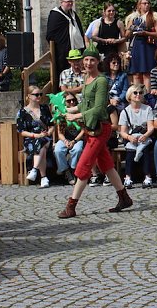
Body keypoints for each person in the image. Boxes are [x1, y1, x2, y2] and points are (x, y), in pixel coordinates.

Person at [57, 48, 133, 218]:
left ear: (98, 62)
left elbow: (99, 109)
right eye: (86, 60)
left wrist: (75, 115)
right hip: (91, 128)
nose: (88, 63)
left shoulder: (101, 81)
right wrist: (70, 110)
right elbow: (86, 104)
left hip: (100, 128)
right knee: (106, 164)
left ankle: (71, 206)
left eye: (92, 60)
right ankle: (124, 197)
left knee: (84, 165)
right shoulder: (87, 79)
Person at [118, 84, 155, 190]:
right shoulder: (125, 112)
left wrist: (145, 135)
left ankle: (148, 177)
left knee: (145, 150)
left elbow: (151, 128)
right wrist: (129, 137)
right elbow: (123, 132)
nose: (138, 95)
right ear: (130, 96)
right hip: (131, 138)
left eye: (140, 93)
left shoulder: (147, 109)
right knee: (130, 152)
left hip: (144, 136)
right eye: (135, 93)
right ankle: (128, 178)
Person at [16, 85, 54, 188]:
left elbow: (51, 125)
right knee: (41, 146)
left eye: (40, 94)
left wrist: (49, 132)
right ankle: (43, 177)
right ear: (28, 96)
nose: (39, 97)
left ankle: (34, 170)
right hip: (31, 139)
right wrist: (36, 135)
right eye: (36, 94)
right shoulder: (22, 112)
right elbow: (21, 131)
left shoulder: (45, 108)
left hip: (46, 137)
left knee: (43, 141)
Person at [125, 0, 157, 88]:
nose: (147, 5)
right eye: (144, 3)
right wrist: (131, 28)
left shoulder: (153, 17)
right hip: (136, 46)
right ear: (139, 5)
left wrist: (145, 32)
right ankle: (137, 94)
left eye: (148, 3)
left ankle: (147, 97)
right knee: (136, 73)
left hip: (148, 46)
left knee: (147, 73)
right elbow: (126, 34)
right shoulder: (133, 18)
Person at [46, 0, 87, 76]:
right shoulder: (55, 15)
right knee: (63, 69)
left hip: (76, 48)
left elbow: (79, 30)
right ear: (62, 2)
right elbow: (51, 34)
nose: (70, 3)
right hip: (62, 50)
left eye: (71, 1)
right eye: (68, 2)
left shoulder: (73, 14)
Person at [53, 93, 85, 186]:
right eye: (68, 101)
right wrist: (65, 141)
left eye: (73, 100)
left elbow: (83, 130)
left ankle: (72, 168)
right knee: (58, 150)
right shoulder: (61, 114)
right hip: (66, 138)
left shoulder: (79, 113)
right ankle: (66, 170)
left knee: (77, 149)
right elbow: (60, 133)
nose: (72, 102)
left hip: (78, 138)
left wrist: (74, 141)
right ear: (64, 102)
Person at [103, 52, 129, 126]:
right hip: (107, 101)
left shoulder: (123, 76)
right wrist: (109, 100)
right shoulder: (103, 77)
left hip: (120, 101)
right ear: (108, 64)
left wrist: (118, 99)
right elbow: (103, 91)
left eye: (118, 62)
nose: (116, 64)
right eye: (114, 62)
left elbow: (125, 90)